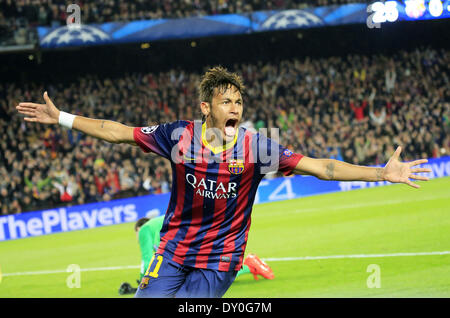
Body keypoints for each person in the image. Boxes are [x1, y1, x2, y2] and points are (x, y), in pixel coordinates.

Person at [16, 66, 431, 298]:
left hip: (220, 258)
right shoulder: (179, 137)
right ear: (206, 108)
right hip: (174, 250)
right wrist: (62, 118)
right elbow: (117, 130)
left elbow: (322, 168)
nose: (235, 108)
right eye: (226, 101)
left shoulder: (256, 147)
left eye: (239, 101)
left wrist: (381, 172)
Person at [119, 215, 274, 295]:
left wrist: (142, 285)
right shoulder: (157, 227)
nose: (137, 238)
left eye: (136, 234)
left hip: (188, 240)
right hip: (197, 233)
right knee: (209, 270)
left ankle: (248, 264)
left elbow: (147, 260)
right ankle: (248, 265)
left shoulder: (145, 229)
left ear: (139, 228)